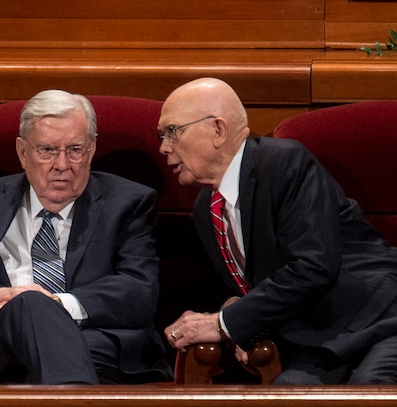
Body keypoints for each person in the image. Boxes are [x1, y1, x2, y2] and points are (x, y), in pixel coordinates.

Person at [158, 77, 397, 384]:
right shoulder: (207, 208)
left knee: (369, 391)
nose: (164, 147)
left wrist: (225, 323)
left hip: (380, 318)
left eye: (172, 131)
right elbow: (261, 282)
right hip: (320, 340)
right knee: (288, 395)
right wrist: (240, 310)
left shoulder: (283, 163)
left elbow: (313, 266)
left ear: (218, 130)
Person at [0, 89, 171, 384]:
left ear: (92, 148)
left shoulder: (128, 203)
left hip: (96, 343)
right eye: (47, 150)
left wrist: (52, 304)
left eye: (75, 149)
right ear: (22, 152)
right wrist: (1, 297)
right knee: (26, 303)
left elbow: (138, 290)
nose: (62, 165)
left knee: (31, 303)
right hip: (3, 349)